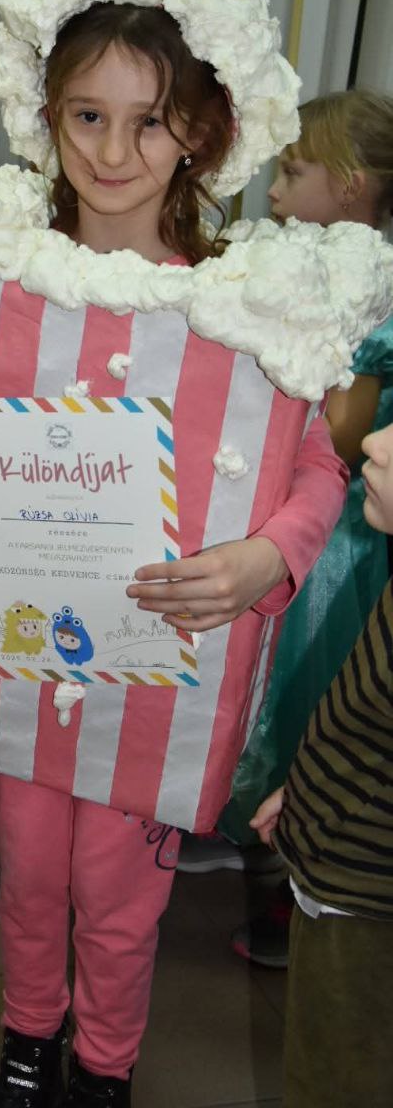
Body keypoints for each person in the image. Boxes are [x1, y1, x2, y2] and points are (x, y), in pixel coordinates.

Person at [0, 0, 375, 1105]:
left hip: (157, 672)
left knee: (119, 894)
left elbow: (317, 460)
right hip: (16, 653)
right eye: (87, 116)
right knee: (28, 872)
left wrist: (266, 553)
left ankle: (102, 1068)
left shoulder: (246, 298)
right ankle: (28, 1045)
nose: (114, 152)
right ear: (46, 114)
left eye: (149, 121)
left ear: (200, 129)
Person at [216, 91, 393, 967]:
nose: (276, 187)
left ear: (351, 184)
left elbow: (346, 435)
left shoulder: (369, 293)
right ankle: (239, 829)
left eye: (292, 170)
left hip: (343, 535)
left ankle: (297, 883)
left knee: (303, 701)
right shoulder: (296, 264)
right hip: (301, 505)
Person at [250, 417, 393, 1108]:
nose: (374, 442)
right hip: (337, 852)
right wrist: (307, 785)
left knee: (337, 1075)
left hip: (362, 899)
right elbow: (367, 715)